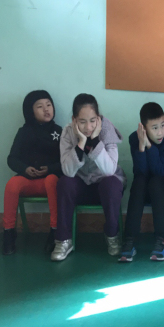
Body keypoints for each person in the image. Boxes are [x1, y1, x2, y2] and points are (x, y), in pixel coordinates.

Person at [52, 93, 126, 261]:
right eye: (82, 121)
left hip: (103, 187)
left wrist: (95, 140)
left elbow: (109, 170)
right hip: (81, 187)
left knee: (112, 184)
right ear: (74, 120)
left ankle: (112, 235)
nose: (88, 127)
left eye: (93, 121)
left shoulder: (107, 130)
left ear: (98, 118)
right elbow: (68, 171)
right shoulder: (67, 132)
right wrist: (81, 143)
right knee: (64, 183)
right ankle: (64, 240)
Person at [118, 103, 164, 262]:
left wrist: (149, 145)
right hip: (145, 187)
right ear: (143, 128)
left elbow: (160, 170)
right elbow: (140, 172)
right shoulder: (134, 138)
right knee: (139, 181)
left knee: (155, 182)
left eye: (163, 125)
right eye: (154, 128)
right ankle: (129, 240)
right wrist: (141, 145)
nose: (160, 132)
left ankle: (162, 240)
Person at [3, 90, 63, 255]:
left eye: (48, 105)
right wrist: (25, 169)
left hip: (49, 180)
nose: (46, 109)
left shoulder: (59, 132)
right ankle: (8, 232)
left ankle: (55, 231)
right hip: (28, 180)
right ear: (30, 111)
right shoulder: (24, 132)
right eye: (40, 106)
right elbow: (12, 159)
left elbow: (66, 161)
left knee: (52, 180)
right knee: (12, 184)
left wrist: (50, 169)